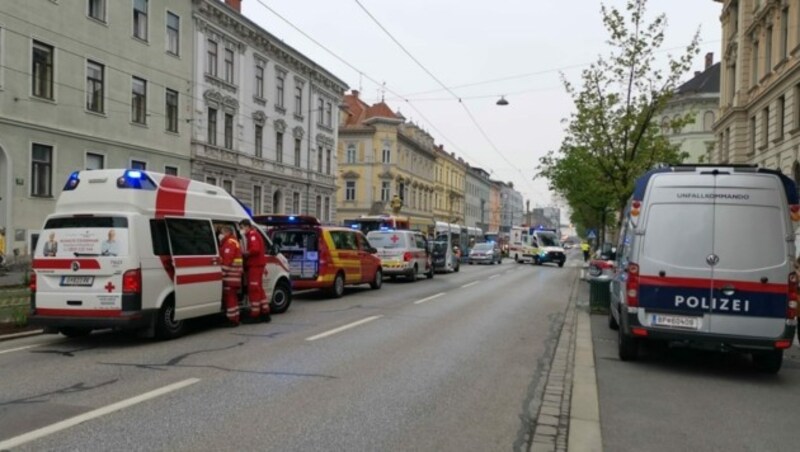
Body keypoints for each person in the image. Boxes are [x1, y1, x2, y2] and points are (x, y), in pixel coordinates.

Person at [239, 219, 270, 323]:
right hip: (258, 265)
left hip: (255, 265)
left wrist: (245, 253)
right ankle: (265, 312)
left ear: (247, 226)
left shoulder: (252, 235)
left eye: (242, 227)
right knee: (259, 289)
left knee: (254, 289)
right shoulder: (254, 234)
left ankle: (255, 314)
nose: (241, 230)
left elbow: (255, 249)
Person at [218, 225, 243, 327]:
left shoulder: (229, 243)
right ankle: (235, 317)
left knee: (230, 297)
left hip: (230, 275)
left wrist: (222, 273)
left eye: (222, 233)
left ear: (227, 232)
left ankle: (232, 319)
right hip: (235, 275)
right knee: (233, 297)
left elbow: (227, 260)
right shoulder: (233, 241)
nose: (221, 235)